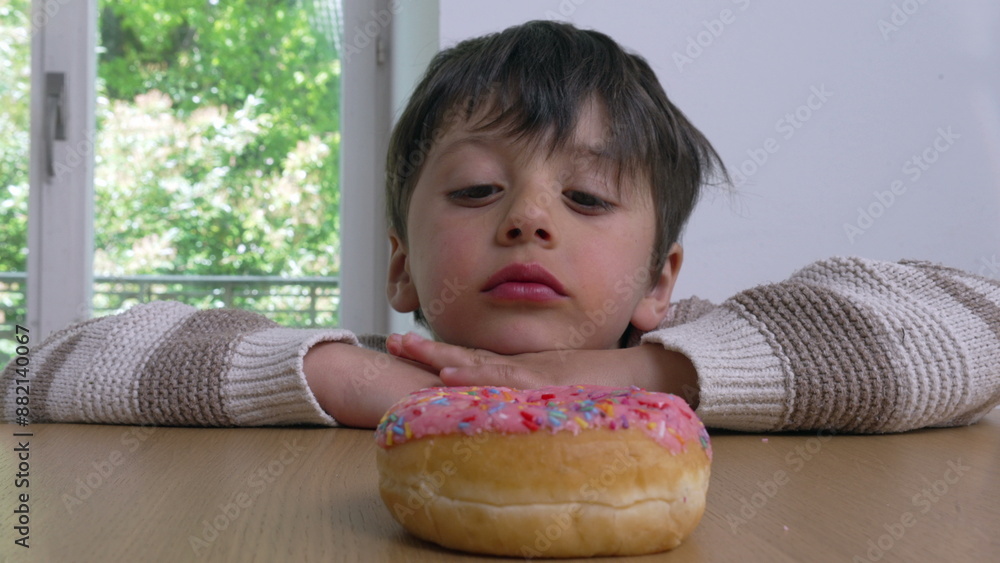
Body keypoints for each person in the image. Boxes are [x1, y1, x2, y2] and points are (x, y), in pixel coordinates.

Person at [3, 21, 998, 432]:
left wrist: (634, 377)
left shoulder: (698, 354)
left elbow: (975, 320)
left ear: (660, 279)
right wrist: (355, 382)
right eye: (478, 190)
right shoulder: (370, 370)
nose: (526, 218)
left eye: (587, 198)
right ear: (401, 267)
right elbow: (38, 372)